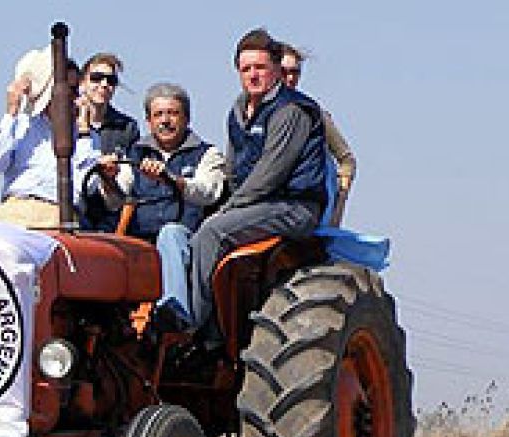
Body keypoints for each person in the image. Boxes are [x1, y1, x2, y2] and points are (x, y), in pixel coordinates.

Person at [188, 28, 327, 342]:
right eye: (246, 68)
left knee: (212, 232)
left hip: (292, 206)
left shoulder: (292, 111)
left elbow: (269, 174)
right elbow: (233, 170)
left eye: (260, 68)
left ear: (277, 70)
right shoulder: (238, 111)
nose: (253, 75)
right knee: (180, 228)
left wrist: (227, 210)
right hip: (256, 205)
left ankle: (193, 329)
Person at [99, 83, 227, 327]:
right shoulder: (134, 154)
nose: (165, 121)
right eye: (158, 115)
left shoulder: (206, 154)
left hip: (187, 240)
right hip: (140, 242)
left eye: (173, 113)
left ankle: (174, 313)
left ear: (186, 118)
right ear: (148, 121)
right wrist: (107, 177)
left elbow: (209, 192)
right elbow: (115, 199)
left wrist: (173, 180)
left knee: (170, 234)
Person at [0, 47, 99, 228]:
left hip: (58, 216)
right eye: (70, 90)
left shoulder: (87, 138)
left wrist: (83, 130)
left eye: (76, 91)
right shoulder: (21, 125)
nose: (75, 97)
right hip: (16, 211)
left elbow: (87, 185)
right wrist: (11, 113)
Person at [280, 42, 357, 224]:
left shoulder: (313, 113)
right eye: (285, 72)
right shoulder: (253, 113)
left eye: (295, 72)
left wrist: (338, 207)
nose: (290, 78)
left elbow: (346, 159)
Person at [79, 53, 140, 230]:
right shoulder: (66, 125)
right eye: (97, 78)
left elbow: (129, 182)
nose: (104, 85)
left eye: (111, 80)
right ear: (83, 82)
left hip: (112, 217)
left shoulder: (127, 128)